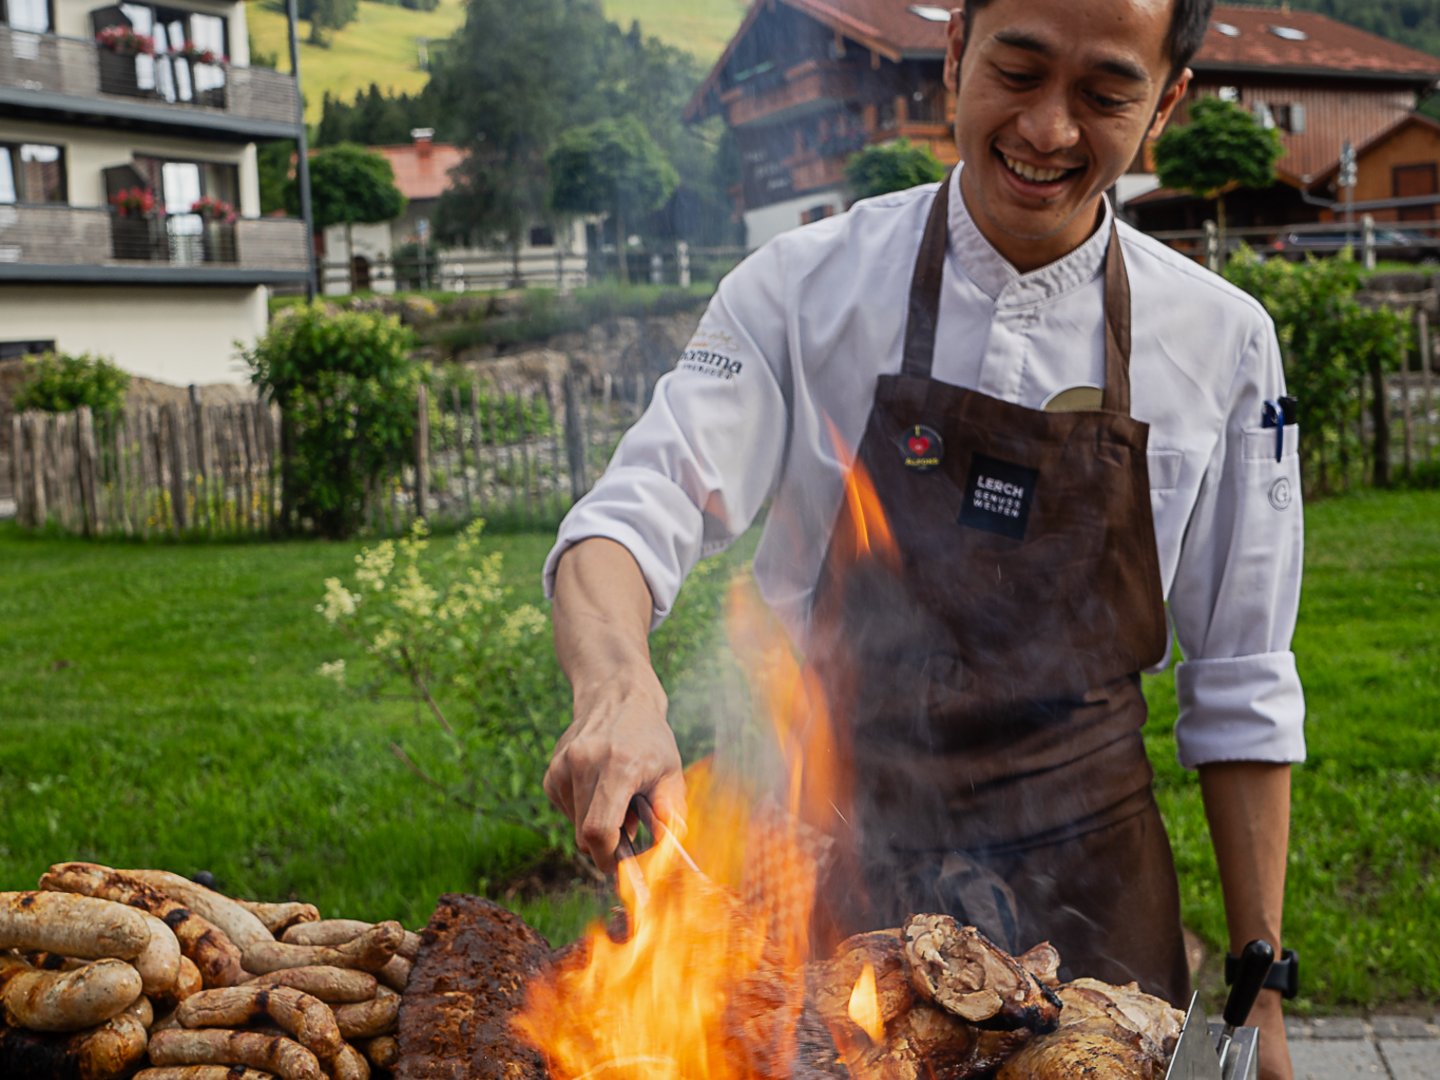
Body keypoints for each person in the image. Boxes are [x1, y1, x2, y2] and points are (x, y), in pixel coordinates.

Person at [542, 1, 1302, 1077]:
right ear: (955, 56)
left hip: (1094, 909)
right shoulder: (801, 289)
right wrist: (618, 686)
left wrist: (1261, 988)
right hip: (833, 881)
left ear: (1167, 104)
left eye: (1104, 94)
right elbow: (627, 519)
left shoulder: (1225, 344)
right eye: (1019, 69)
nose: (1046, 130)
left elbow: (1244, 681)